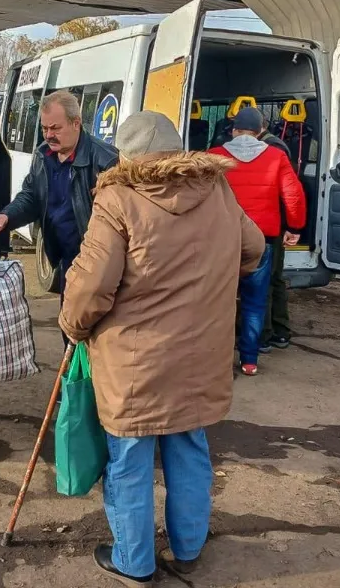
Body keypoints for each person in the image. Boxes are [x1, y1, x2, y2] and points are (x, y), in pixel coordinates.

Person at [59, 111, 265, 587]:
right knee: (189, 446)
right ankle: (189, 548)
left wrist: (72, 326)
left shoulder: (117, 198)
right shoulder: (217, 189)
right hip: (200, 356)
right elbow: (253, 250)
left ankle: (134, 561)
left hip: (136, 361)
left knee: (129, 456)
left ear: (126, 157)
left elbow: (92, 289)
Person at [0, 89, 118, 345]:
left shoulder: (106, 161)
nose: (48, 135)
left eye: (55, 128)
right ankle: (72, 383)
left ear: (76, 123)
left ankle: (93, 384)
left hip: (98, 267)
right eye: (44, 128)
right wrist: (7, 217)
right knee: (69, 332)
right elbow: (31, 196)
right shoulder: (43, 155)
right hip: (67, 263)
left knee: (97, 338)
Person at [209, 107, 306, 376]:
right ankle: (249, 361)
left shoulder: (215, 157)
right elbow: (294, 196)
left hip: (222, 239)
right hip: (263, 239)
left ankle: (216, 359)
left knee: (219, 299)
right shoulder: (276, 156)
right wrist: (295, 227)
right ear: (260, 131)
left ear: (234, 130)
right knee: (255, 299)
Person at [256, 124, 295, 352]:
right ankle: (280, 331)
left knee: (268, 279)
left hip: (271, 223)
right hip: (274, 223)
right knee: (274, 278)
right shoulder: (274, 146)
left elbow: (287, 191)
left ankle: (266, 333)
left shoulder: (272, 148)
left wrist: (291, 226)